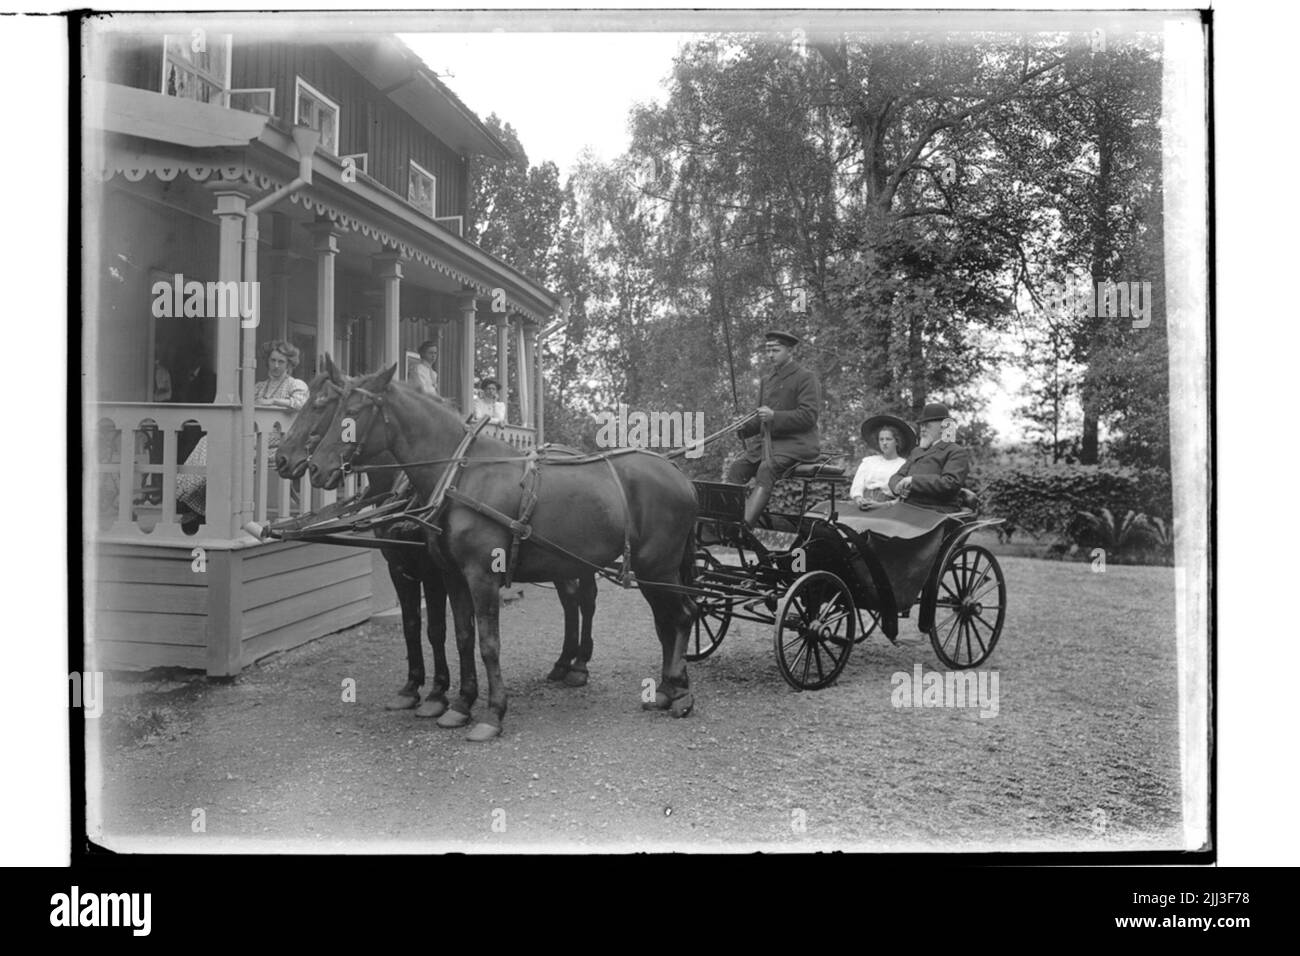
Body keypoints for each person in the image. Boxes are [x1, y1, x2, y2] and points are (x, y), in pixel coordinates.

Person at [727, 329, 821, 526]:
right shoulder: (766, 381)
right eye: (768, 351)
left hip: (797, 445)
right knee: (737, 467)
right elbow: (760, 418)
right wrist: (742, 426)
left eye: (775, 350)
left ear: (789, 351)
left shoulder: (805, 377)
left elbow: (809, 417)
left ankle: (745, 524)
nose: (770, 355)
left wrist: (774, 416)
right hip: (768, 445)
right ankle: (727, 520)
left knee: (767, 468)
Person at [887, 402, 971, 513]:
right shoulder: (917, 451)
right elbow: (898, 475)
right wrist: (897, 486)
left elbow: (950, 483)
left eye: (927, 425)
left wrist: (913, 481)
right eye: (921, 426)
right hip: (907, 507)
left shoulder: (956, 452)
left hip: (935, 511)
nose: (922, 429)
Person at [850, 415, 914, 506]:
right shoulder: (869, 462)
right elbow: (857, 486)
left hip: (888, 508)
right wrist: (859, 498)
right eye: (881, 439)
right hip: (864, 505)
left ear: (897, 441)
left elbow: (903, 495)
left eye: (888, 439)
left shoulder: (903, 464)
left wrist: (882, 505)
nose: (884, 443)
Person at [254, 340, 309, 411]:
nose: (276, 365)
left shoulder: (295, 384)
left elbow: (302, 404)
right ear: (267, 361)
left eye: (281, 362)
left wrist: (274, 401)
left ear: (288, 364)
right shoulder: (259, 387)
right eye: (273, 360)